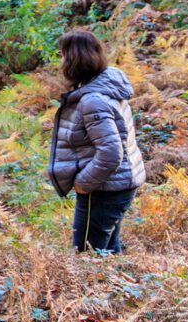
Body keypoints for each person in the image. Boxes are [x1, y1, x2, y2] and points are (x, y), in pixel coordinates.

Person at [48, 28, 147, 253]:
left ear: (73, 59)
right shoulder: (105, 85)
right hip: (115, 185)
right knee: (107, 253)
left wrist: (83, 183)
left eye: (62, 54)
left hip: (104, 189)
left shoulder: (93, 99)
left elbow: (110, 153)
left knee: (86, 256)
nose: (59, 61)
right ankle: (122, 288)